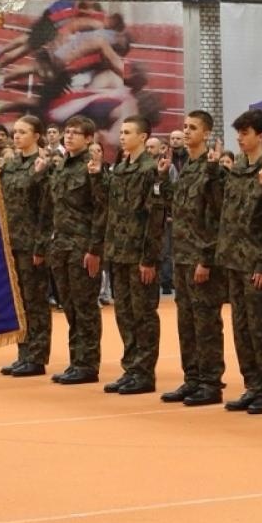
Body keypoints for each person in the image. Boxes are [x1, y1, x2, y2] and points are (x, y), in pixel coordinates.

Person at [219, 109, 262, 415]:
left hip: (257, 261)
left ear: (261, 135)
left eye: (245, 133)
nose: (240, 139)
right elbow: (228, 217)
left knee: (260, 329)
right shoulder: (237, 169)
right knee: (241, 328)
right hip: (234, 259)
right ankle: (252, 385)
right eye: (238, 133)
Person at [162, 110, 227, 407]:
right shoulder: (187, 167)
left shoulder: (212, 170)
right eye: (184, 127)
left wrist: (206, 258)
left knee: (205, 322)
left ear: (207, 133)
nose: (186, 132)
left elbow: (215, 218)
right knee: (186, 322)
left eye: (193, 128)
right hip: (183, 255)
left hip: (201, 258)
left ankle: (211, 382)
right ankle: (192, 378)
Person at [102, 116, 166, 396]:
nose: (122, 136)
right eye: (121, 132)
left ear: (143, 137)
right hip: (119, 252)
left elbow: (154, 218)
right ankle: (131, 368)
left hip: (139, 254)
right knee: (124, 313)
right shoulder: (121, 168)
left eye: (128, 132)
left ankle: (144, 371)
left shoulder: (149, 170)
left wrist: (149, 258)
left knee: (143, 315)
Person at [43, 114, 106, 385]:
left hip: (82, 247)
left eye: (75, 133)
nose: (68, 136)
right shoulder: (61, 167)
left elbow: (101, 210)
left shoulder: (91, 168)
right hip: (61, 246)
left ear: (89, 138)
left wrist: (94, 248)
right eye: (67, 132)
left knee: (85, 307)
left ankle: (87, 364)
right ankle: (75, 360)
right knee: (68, 305)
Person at [0, 115, 53, 378]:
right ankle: (23, 352)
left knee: (36, 301)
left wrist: (41, 246)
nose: (16, 136)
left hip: (32, 243)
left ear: (37, 136)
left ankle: (37, 355)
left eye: (22, 132)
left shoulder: (43, 166)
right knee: (19, 302)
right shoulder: (10, 165)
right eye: (15, 132)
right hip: (12, 242)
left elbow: (46, 210)